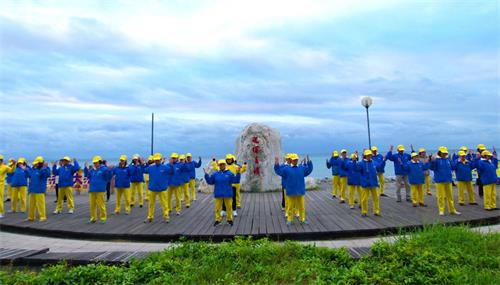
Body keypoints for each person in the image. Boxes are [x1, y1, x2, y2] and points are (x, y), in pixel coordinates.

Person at [274, 153, 313, 225]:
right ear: (291, 160)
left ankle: (302, 219)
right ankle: (289, 219)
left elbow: (309, 170)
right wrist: (276, 164)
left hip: (300, 190)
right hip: (290, 191)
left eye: (296, 159)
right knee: (290, 207)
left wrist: (309, 162)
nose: (296, 161)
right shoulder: (286, 169)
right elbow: (278, 171)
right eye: (294, 160)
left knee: (301, 207)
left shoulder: (301, 168)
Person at [204, 159, 239, 226]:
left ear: (225, 165)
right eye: (220, 164)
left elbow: (235, 181)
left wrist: (238, 173)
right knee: (217, 208)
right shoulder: (215, 174)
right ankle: (218, 220)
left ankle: (229, 220)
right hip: (218, 194)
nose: (222, 165)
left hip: (228, 194)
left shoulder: (230, 173)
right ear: (218, 165)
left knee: (229, 207)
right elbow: (210, 182)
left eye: (223, 164)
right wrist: (206, 174)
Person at [429, 146, 460, 216]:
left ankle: (452, 210)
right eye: (443, 153)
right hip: (439, 181)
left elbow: (453, 167)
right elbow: (432, 168)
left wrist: (457, 160)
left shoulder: (448, 160)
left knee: (450, 196)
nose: (444, 154)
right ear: (440, 153)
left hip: (448, 180)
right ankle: (441, 210)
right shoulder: (436, 160)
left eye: (445, 153)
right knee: (440, 196)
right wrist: (432, 161)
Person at [84, 156, 112, 223]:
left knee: (101, 205)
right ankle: (93, 218)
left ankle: (103, 218)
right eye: (94, 163)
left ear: (99, 162)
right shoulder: (92, 170)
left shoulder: (104, 169)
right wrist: (86, 168)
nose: (95, 164)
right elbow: (87, 175)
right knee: (92, 205)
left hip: (100, 190)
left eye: (96, 162)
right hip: (92, 190)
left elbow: (108, 178)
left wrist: (110, 170)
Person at [143, 153, 170, 223]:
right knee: (151, 204)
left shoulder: (165, 167)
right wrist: (145, 163)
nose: (157, 161)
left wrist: (171, 163)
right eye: (155, 160)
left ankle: (166, 216)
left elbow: (172, 171)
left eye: (158, 160)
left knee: (164, 203)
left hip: (162, 189)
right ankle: (150, 216)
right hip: (153, 188)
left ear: (160, 160)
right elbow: (144, 170)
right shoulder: (151, 167)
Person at [25, 157, 50, 222]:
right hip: (32, 190)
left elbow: (47, 174)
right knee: (31, 205)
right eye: (34, 164)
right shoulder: (33, 170)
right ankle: (31, 217)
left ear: (40, 163)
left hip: (39, 190)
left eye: (36, 164)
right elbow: (29, 175)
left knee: (40, 204)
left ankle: (43, 216)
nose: (35, 165)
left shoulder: (44, 169)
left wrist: (45, 168)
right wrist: (26, 168)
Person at [356, 150, 380, 216]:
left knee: (376, 198)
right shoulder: (361, 163)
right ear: (365, 156)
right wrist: (356, 160)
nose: (369, 156)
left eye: (370, 155)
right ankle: (364, 212)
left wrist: (383, 160)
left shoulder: (374, 163)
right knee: (364, 199)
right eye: (368, 155)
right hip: (365, 184)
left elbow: (380, 167)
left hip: (374, 184)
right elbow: (357, 169)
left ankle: (376, 211)